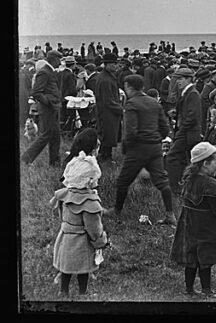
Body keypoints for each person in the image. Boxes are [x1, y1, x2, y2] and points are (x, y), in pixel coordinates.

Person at [103, 74, 176, 225]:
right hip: (155, 147)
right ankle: (170, 215)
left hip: (138, 148)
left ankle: (116, 211)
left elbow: (131, 131)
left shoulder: (131, 104)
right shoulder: (154, 103)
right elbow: (165, 128)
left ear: (128, 87)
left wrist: (126, 146)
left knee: (123, 181)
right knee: (162, 181)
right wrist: (156, 138)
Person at [49, 130, 108, 297]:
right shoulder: (89, 203)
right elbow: (93, 228)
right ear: (90, 180)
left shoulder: (65, 195)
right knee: (83, 269)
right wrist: (100, 240)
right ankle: (83, 292)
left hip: (66, 238)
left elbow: (62, 215)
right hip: (81, 242)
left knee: (66, 268)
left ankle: (63, 290)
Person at [169, 142, 216, 298]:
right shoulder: (212, 185)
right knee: (205, 259)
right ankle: (206, 290)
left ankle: (189, 289)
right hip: (206, 228)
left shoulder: (188, 180)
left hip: (188, 226)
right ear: (205, 163)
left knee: (191, 258)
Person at [22, 50, 63, 167]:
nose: (60, 63)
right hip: (48, 109)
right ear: (53, 59)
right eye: (59, 60)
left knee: (55, 136)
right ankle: (27, 158)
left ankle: (55, 162)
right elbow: (36, 92)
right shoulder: (45, 72)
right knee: (47, 135)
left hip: (53, 107)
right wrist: (48, 102)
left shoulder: (49, 71)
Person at [166, 67, 203, 192]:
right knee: (184, 159)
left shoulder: (192, 94)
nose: (178, 81)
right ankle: (185, 185)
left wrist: (180, 131)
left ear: (188, 79)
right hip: (187, 132)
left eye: (180, 78)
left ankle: (175, 187)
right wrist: (176, 113)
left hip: (188, 133)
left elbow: (192, 116)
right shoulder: (187, 93)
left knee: (172, 157)